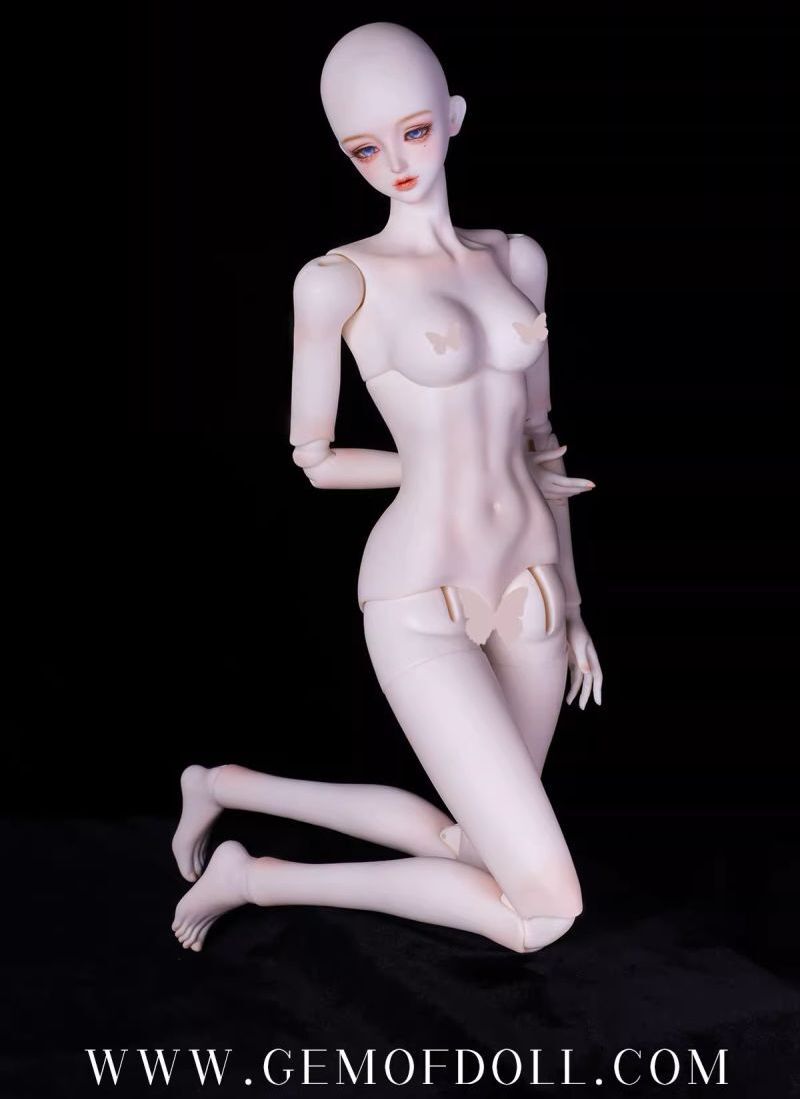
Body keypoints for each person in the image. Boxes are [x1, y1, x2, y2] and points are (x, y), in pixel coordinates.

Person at [171, 21, 602, 955]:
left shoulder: (518, 260)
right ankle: (257, 878)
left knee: (473, 842)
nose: (396, 163)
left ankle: (224, 786)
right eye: (365, 148)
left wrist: (571, 602)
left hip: (529, 587)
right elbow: (316, 457)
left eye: (413, 131)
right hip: (419, 590)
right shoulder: (337, 282)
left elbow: (542, 443)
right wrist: (439, 465)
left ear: (453, 117)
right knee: (540, 910)